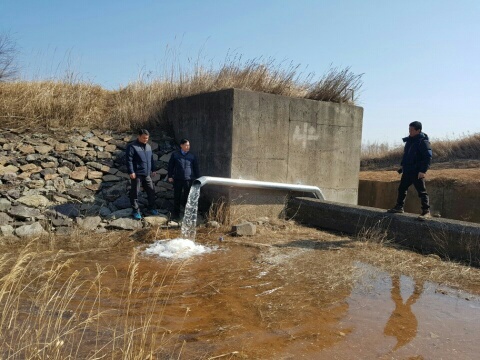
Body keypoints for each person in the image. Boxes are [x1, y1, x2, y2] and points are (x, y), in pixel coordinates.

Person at [387, 121, 432, 220]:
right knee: (402, 189)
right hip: (408, 170)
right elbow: (406, 155)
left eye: (411, 130)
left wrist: (423, 171)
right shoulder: (409, 141)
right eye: (409, 129)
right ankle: (399, 207)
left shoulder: (423, 142)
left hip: (417, 171)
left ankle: (426, 212)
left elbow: (427, 157)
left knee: (422, 191)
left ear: (418, 130)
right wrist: (403, 166)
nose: (409, 131)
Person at [125, 129, 158, 220]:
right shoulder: (132, 146)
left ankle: (151, 207)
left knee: (151, 191)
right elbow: (129, 160)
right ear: (138, 136)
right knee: (135, 192)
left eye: (147, 138)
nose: (145, 140)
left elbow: (151, 159)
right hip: (137, 174)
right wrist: (131, 171)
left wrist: (153, 169)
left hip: (147, 174)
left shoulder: (148, 147)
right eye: (144, 138)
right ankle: (135, 211)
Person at [168, 138, 200, 220]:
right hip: (178, 179)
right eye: (186, 145)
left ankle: (187, 215)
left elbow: (196, 168)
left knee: (187, 197)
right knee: (177, 196)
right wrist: (170, 176)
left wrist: (198, 178)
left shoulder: (192, 156)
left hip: (188, 180)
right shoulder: (175, 155)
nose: (188, 147)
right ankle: (176, 215)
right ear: (181, 145)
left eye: (189, 145)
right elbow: (170, 166)